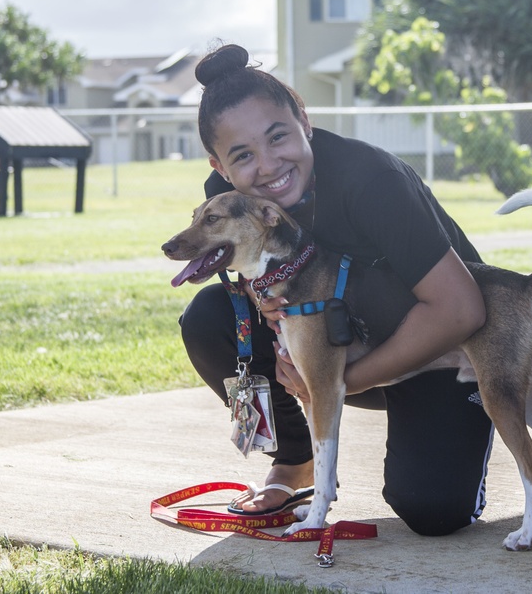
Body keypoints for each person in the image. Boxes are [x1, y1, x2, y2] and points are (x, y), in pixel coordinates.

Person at [177, 43, 494, 537]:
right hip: (343, 343)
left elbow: (461, 309)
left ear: (303, 119)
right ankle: (295, 460)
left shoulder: (371, 179)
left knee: (434, 508)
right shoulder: (229, 204)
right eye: (242, 156)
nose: (267, 166)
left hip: (443, 351)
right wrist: (270, 313)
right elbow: (264, 279)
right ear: (219, 167)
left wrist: (345, 379)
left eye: (277, 136)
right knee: (210, 317)